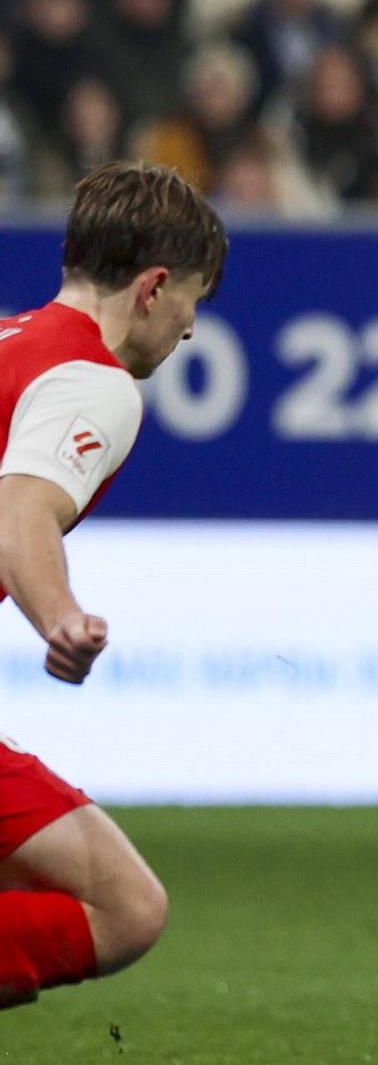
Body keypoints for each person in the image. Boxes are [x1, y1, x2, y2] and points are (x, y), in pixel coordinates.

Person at [0, 161, 227, 1011]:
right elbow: (20, 508)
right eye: (192, 305)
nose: (187, 331)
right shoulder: (94, 381)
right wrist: (58, 616)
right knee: (124, 906)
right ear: (154, 287)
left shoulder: (8, 339)